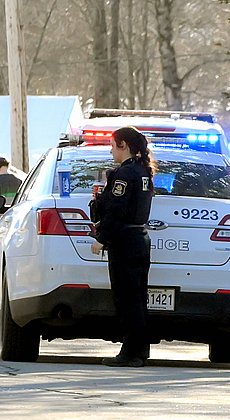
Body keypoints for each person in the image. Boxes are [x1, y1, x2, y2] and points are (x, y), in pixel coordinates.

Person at [90, 127, 155, 367]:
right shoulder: (143, 171)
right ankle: (140, 349)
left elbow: (117, 210)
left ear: (123, 145)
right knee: (137, 297)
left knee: (126, 298)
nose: (111, 151)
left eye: (112, 145)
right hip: (139, 239)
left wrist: (101, 238)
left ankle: (130, 351)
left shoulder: (125, 174)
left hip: (125, 241)